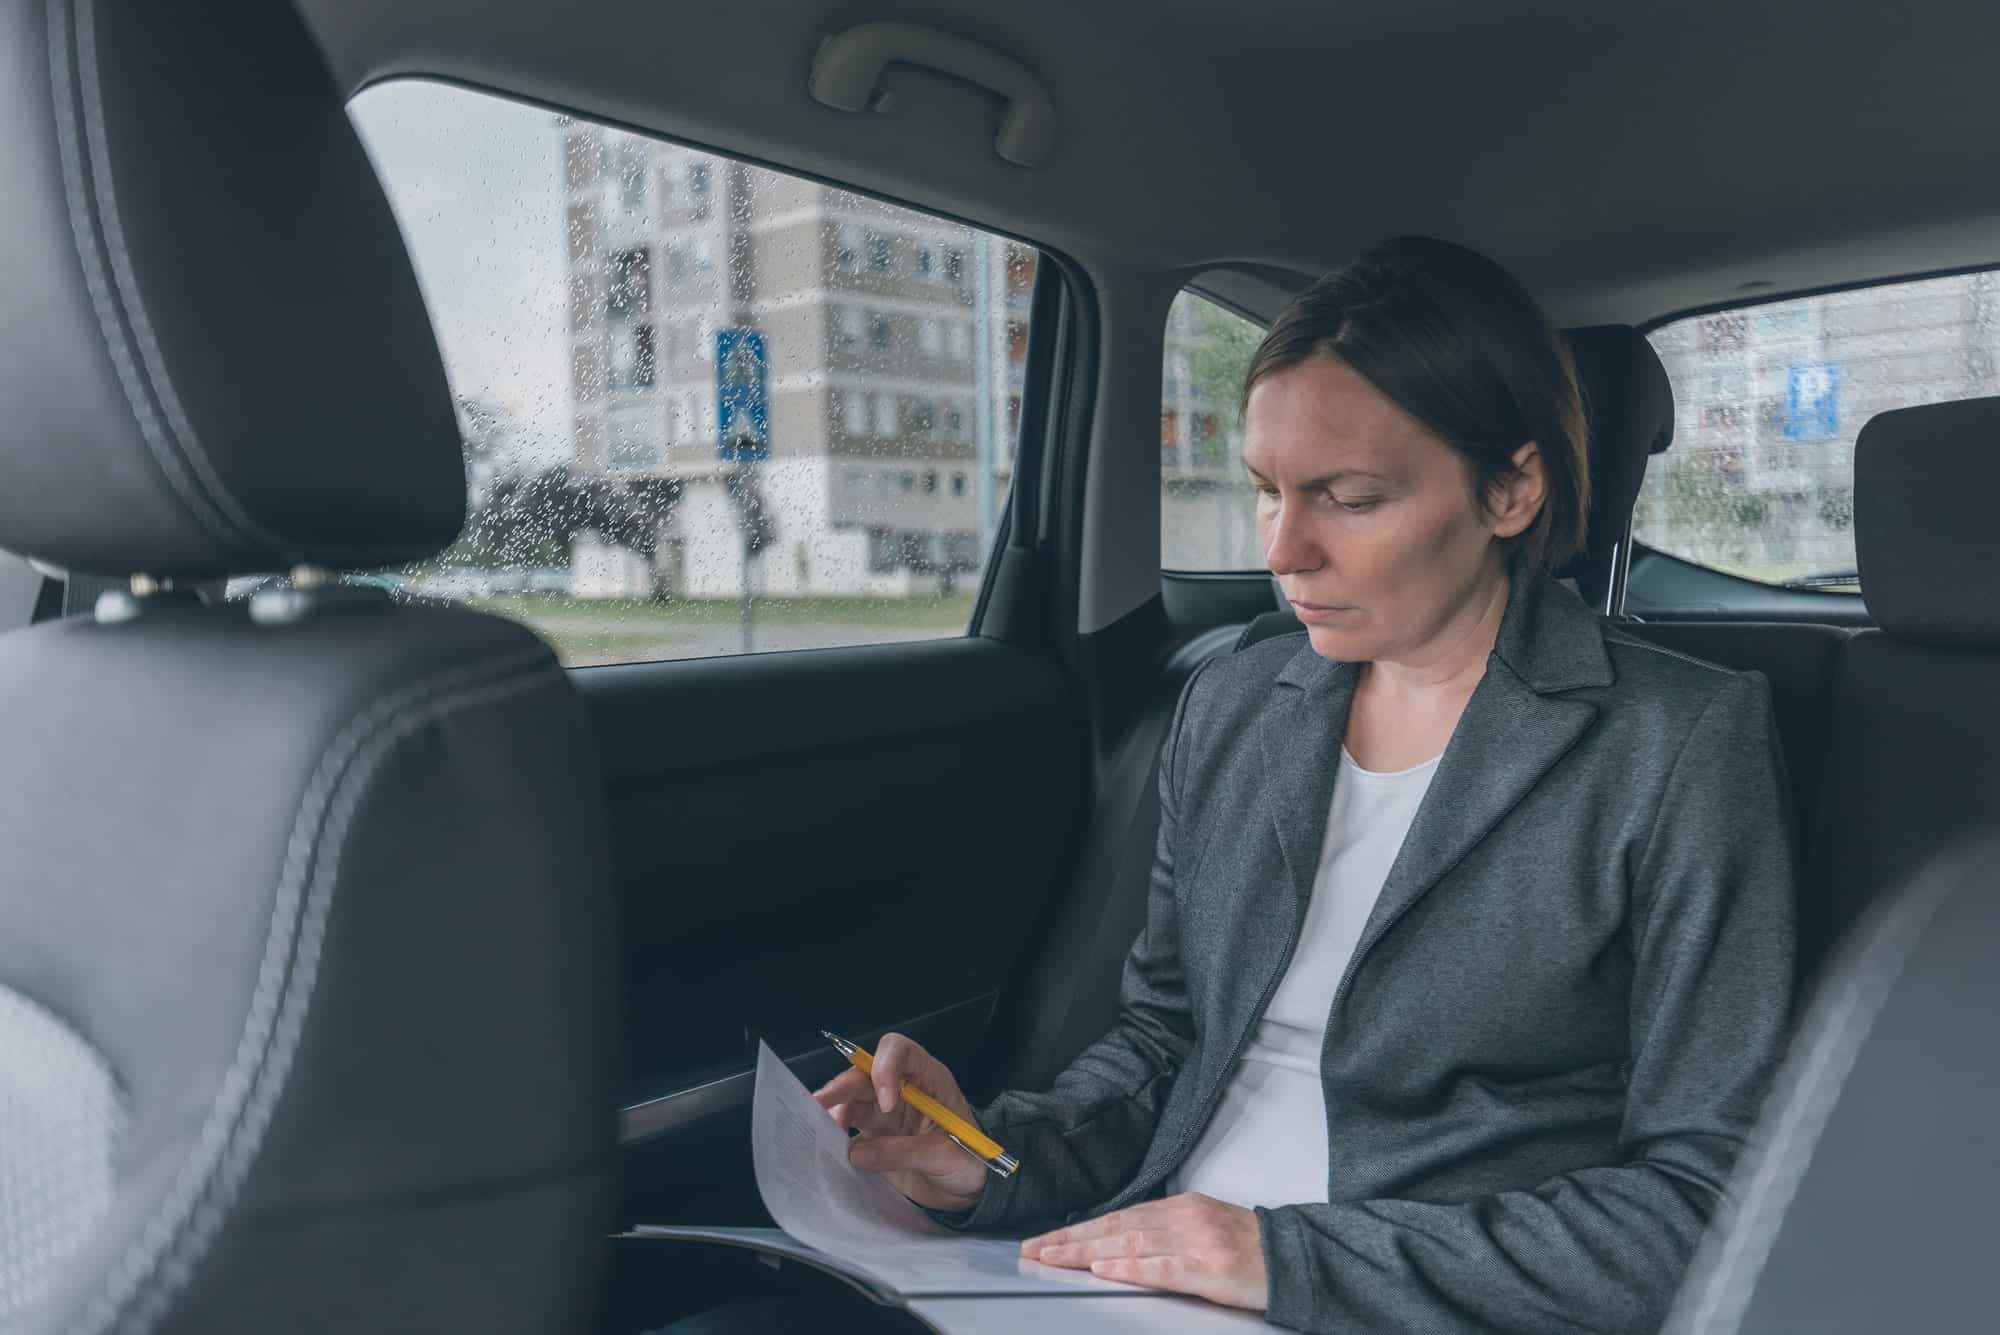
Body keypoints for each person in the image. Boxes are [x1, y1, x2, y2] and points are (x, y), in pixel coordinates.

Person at [666, 236, 1798, 1334]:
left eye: (1348, 498)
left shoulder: (1674, 742)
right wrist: (985, 1158)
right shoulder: (1237, 703)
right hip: (1118, 1272)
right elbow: (1163, 1042)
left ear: (1510, 491)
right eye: (1265, 489)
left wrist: (1283, 1257)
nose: (1283, 550)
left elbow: (1702, 1205)